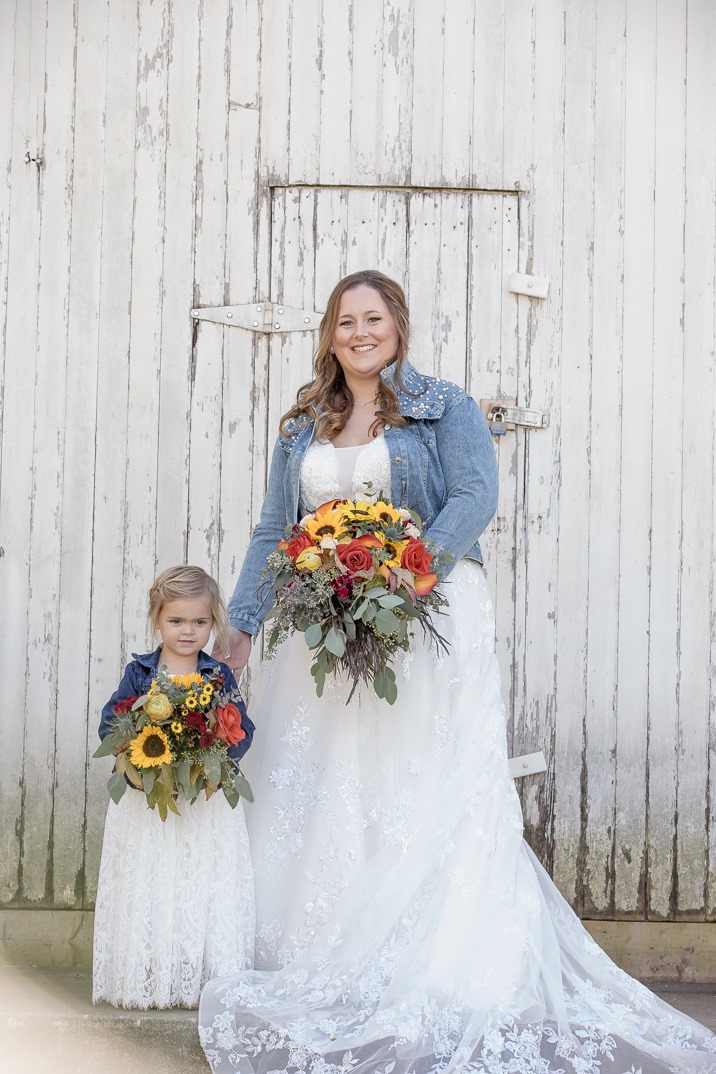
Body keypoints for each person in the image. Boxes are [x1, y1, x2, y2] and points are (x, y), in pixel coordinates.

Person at [199, 272, 716, 1073]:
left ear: (398, 326)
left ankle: (436, 966)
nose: (359, 333)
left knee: (421, 779)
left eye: (373, 319)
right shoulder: (305, 423)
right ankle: (332, 954)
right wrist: (243, 622)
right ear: (330, 335)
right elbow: (277, 527)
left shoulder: (446, 406)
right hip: (328, 632)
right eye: (345, 322)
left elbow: (476, 498)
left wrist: (407, 572)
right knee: (339, 780)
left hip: (427, 613)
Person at [92, 565, 256, 1009]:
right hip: (149, 801)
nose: (188, 631)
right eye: (177, 621)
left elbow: (245, 731)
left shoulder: (219, 677)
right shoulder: (140, 672)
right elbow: (112, 722)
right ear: (157, 619)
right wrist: (136, 749)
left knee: (195, 882)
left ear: (214, 624)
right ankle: (148, 970)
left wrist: (210, 759)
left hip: (203, 803)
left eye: (200, 622)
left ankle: (197, 973)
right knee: (153, 880)